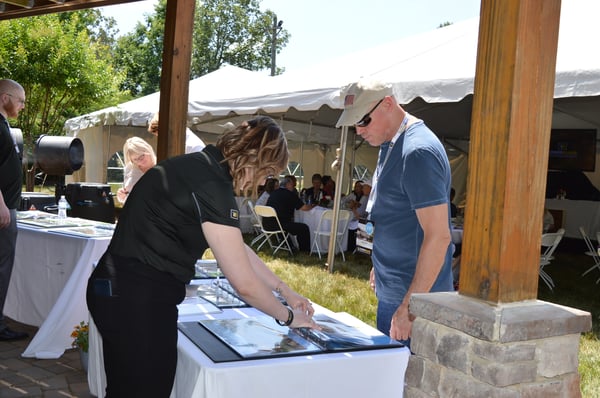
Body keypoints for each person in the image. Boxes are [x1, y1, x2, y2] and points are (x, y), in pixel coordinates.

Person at [86, 116, 317, 397]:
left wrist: (285, 290)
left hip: (116, 289)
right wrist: (288, 316)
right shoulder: (212, 185)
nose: (262, 181)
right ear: (256, 160)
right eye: (267, 173)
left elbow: (236, 249)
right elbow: (243, 283)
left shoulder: (196, 166)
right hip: (137, 299)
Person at [336, 78, 453, 347]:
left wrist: (410, 307)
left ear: (388, 103)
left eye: (363, 120)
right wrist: (379, 263)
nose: (358, 130)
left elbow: (439, 237)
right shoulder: (389, 142)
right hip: (393, 290)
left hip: (414, 302)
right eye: (354, 122)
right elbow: (395, 212)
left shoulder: (418, 151)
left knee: (404, 385)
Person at [0, 79, 29, 341]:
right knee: (2, 266)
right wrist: (2, 205)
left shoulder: (4, 124)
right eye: (19, 100)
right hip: (3, 209)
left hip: (8, 205)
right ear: (4, 98)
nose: (22, 106)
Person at [265, 175, 315, 252]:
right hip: (280, 225)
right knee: (304, 228)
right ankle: (304, 251)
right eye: (292, 184)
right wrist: (313, 206)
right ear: (288, 184)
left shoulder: (274, 193)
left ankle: (290, 245)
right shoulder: (290, 194)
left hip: (267, 224)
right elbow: (304, 208)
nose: (294, 187)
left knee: (290, 224)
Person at [116, 137, 157, 203]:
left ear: (147, 150)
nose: (140, 161)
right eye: (135, 159)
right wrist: (121, 196)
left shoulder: (160, 166)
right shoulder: (129, 168)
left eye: (142, 156)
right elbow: (126, 196)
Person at [342, 180, 369, 252]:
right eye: (356, 187)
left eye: (361, 187)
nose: (359, 188)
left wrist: (353, 207)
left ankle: (346, 246)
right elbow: (343, 200)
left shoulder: (365, 198)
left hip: (362, 221)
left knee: (346, 223)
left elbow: (359, 215)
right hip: (358, 218)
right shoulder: (352, 195)